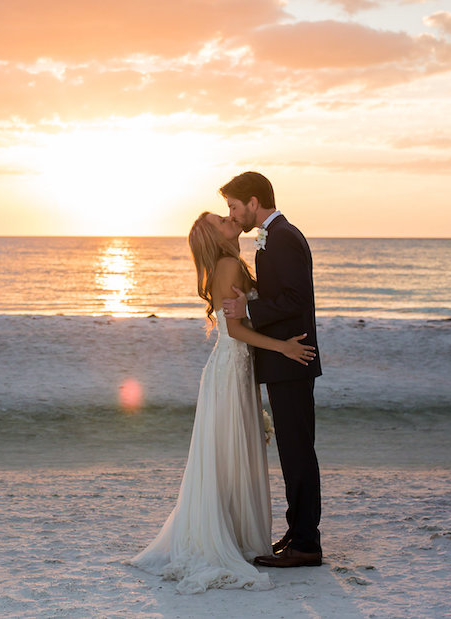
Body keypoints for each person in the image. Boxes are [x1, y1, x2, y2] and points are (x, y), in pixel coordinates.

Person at [130, 211, 316, 593]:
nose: (230, 218)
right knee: (229, 453)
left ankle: (238, 533)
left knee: (230, 454)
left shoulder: (230, 263)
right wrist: (282, 345)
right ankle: (233, 538)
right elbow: (235, 329)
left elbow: (246, 318)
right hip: (231, 368)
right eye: (222, 219)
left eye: (228, 213)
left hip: (235, 369)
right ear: (215, 237)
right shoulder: (229, 264)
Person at [220, 171, 324, 568]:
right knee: (293, 451)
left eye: (233, 206)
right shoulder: (274, 236)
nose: (232, 214)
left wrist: (250, 309)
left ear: (252, 201)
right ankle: (297, 532)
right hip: (286, 361)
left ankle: (306, 545)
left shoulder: (281, 237)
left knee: (298, 454)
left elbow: (297, 300)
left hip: (292, 360)